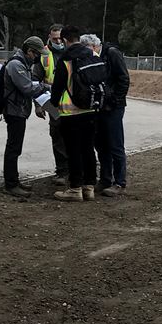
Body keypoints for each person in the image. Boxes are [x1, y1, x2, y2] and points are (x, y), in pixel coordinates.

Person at [52, 27, 105, 200]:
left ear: (65, 40)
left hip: (70, 112)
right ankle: (89, 187)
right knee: (88, 148)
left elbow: (57, 88)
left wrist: (53, 105)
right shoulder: (93, 55)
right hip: (91, 108)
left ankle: (75, 188)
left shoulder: (65, 59)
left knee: (73, 150)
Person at [0, 38, 51, 198]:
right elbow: (27, 87)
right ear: (29, 51)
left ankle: (14, 180)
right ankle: (10, 184)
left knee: (16, 147)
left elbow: (30, 84)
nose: (38, 57)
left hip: (19, 110)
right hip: (14, 111)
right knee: (13, 148)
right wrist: (47, 87)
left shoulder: (24, 63)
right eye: (37, 54)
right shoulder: (16, 65)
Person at [89, 33, 133, 196]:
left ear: (94, 46)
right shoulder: (94, 58)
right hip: (99, 107)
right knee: (101, 144)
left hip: (114, 107)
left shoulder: (112, 54)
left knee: (115, 144)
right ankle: (105, 179)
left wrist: (114, 100)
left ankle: (120, 182)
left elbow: (123, 78)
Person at [42, 24, 71, 183]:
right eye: (55, 39)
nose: (58, 41)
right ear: (49, 37)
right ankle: (62, 171)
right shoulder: (44, 54)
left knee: (73, 137)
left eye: (60, 38)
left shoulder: (72, 51)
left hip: (73, 102)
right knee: (57, 136)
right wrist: (39, 105)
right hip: (52, 102)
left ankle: (75, 170)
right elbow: (35, 80)